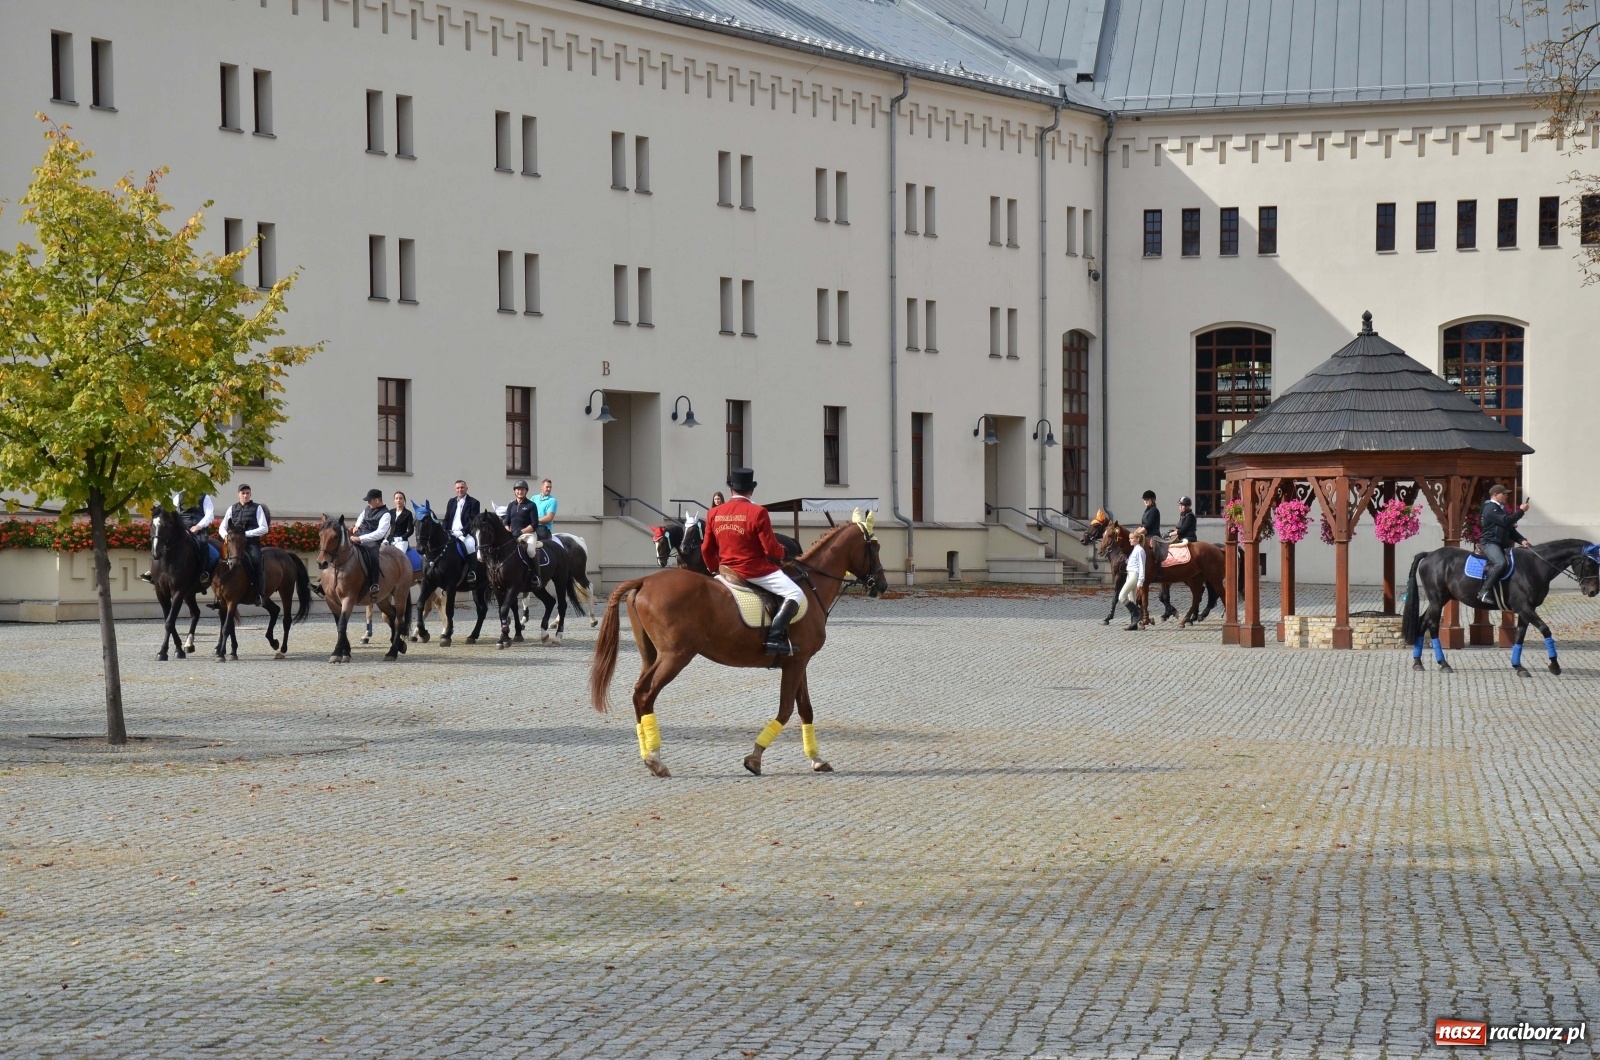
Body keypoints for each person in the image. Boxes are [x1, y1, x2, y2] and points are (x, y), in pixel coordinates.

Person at [702, 467, 805, 656]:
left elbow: (706, 548)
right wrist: (784, 552)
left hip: (726, 570)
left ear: (731, 490)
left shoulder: (714, 512)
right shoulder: (758, 512)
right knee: (795, 593)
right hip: (753, 570)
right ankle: (774, 638)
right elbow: (770, 549)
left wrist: (713, 570)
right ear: (751, 490)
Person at [141, 491, 216, 583]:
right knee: (162, 541)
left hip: (198, 529)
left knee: (203, 543)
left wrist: (198, 526)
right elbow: (170, 511)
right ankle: (154, 572)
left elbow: (209, 515)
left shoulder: (205, 497)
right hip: (182, 528)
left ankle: (204, 572)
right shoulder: (179, 497)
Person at [217, 484, 270, 605]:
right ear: (238, 494)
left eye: (247, 493)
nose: (245, 495)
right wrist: (226, 536)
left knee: (256, 562)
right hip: (233, 543)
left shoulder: (257, 508)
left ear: (250, 494)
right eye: (243, 493)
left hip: (250, 543)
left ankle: (260, 595)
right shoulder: (232, 508)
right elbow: (222, 526)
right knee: (219, 562)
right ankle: (219, 596)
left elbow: (264, 528)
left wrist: (246, 534)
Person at [1477, 484, 1529, 606]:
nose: (1506, 496)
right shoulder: (1490, 508)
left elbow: (1509, 529)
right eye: (1503, 493)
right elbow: (1506, 521)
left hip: (1501, 544)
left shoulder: (1500, 509)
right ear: (1495, 494)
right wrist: (1521, 511)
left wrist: (1521, 540)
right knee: (1500, 563)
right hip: (1490, 543)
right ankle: (1483, 592)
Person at [352, 489, 391, 599]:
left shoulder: (386, 514)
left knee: (373, 556)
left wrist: (360, 538)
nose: (368, 503)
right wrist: (357, 525)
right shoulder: (367, 509)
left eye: (370, 501)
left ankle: (374, 583)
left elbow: (379, 533)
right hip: (359, 536)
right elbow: (361, 517)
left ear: (377, 500)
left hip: (372, 542)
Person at [442, 479, 481, 583]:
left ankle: (472, 572)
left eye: (462, 487)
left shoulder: (474, 502)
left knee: (470, 545)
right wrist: (444, 530)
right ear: (455, 490)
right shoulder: (451, 502)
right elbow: (446, 519)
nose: (460, 490)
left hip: (465, 533)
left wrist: (462, 532)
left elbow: (473, 520)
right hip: (451, 532)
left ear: (466, 488)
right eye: (458, 488)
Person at [1118, 527, 1148, 630]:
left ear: (1138, 539)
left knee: (1121, 596)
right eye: (1130, 538)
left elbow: (1141, 566)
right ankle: (1134, 624)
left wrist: (1140, 581)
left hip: (1134, 575)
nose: (1130, 540)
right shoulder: (1134, 550)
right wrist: (1125, 559)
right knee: (1132, 599)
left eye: (1132, 538)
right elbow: (1132, 563)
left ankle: (1137, 613)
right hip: (1129, 574)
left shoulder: (1140, 550)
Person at [505, 480, 541, 559]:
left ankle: (536, 571)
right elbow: (506, 523)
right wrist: (508, 533)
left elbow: (535, 523)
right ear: (514, 491)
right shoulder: (511, 505)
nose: (520, 491)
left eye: (522, 489)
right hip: (513, 536)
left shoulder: (531, 505)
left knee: (530, 551)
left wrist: (521, 532)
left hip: (528, 535)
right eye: (518, 489)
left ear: (526, 491)